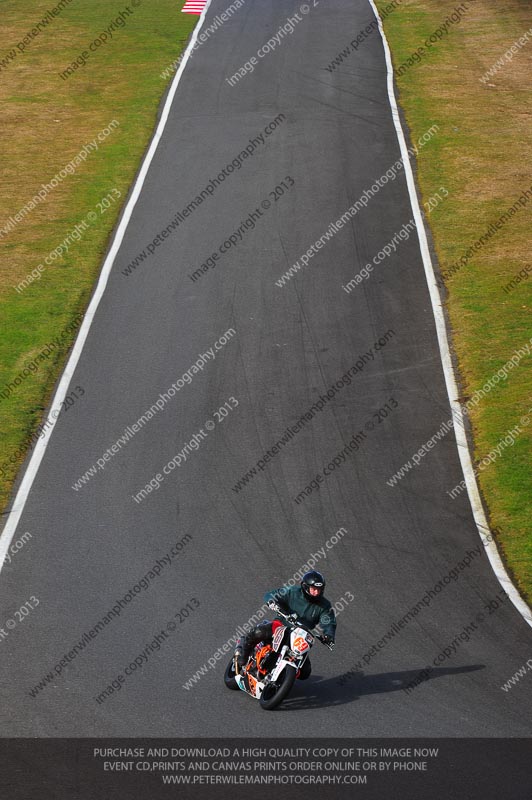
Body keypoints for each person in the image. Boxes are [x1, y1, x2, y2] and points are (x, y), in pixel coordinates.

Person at [234, 570, 336, 679]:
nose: (316, 592)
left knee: (305, 672)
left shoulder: (325, 605)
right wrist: (272, 601)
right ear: (306, 587)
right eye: (314, 589)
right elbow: (271, 595)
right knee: (259, 632)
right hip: (281, 624)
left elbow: (329, 621)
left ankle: (282, 676)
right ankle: (242, 654)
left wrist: (329, 635)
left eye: (319, 590)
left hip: (300, 635)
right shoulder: (292, 591)